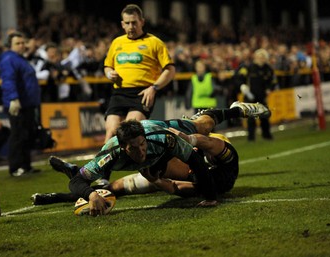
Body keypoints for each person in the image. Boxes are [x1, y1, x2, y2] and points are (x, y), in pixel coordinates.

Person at [31, 102, 271, 215]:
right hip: (153, 158)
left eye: (142, 146)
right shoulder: (111, 152)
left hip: (162, 132)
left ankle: (237, 110)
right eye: (135, 149)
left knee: (202, 125)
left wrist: (209, 197)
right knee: (105, 186)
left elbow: (194, 164)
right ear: (124, 147)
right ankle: (57, 196)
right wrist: (91, 194)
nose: (140, 151)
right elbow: (78, 182)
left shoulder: (162, 140)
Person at [103, 4, 176, 142]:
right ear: (122, 24)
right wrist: (109, 73)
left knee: (128, 133)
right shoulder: (117, 42)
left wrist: (154, 88)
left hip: (142, 94)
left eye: (134, 22)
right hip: (119, 93)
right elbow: (107, 66)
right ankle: (103, 163)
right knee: (111, 132)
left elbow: (170, 69)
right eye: (127, 23)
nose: (131, 26)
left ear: (142, 21)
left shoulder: (154, 42)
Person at [0, 31, 41, 177]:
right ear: (9, 45)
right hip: (19, 104)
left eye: (23, 42)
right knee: (18, 135)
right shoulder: (9, 59)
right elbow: (9, 80)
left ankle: (26, 165)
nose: (22, 45)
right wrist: (13, 99)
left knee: (26, 135)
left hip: (27, 104)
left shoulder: (19, 59)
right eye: (18, 43)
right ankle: (15, 167)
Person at [234, 48, 277, 141]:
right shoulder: (248, 67)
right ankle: (251, 138)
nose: (261, 59)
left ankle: (267, 135)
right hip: (250, 96)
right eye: (259, 57)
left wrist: (270, 89)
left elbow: (273, 81)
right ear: (255, 57)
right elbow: (237, 77)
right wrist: (242, 85)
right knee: (250, 118)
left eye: (263, 57)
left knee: (264, 116)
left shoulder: (268, 69)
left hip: (262, 96)